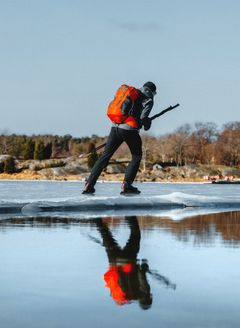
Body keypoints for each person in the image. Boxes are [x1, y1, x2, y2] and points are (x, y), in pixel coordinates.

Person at [82, 81, 157, 194]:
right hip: (129, 130)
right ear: (152, 91)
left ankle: (89, 184)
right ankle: (126, 185)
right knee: (136, 156)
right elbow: (143, 119)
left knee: (105, 156)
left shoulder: (131, 93)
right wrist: (147, 122)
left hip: (115, 127)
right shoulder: (148, 99)